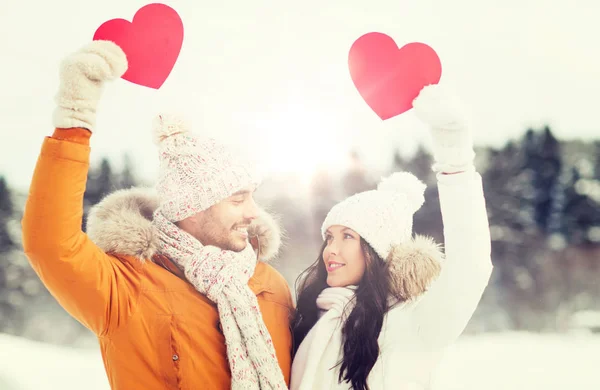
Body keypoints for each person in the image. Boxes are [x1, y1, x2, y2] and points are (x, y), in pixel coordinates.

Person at [21, 41, 293, 389]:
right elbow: (50, 244)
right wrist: (75, 119)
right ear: (190, 208)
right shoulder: (126, 288)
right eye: (237, 200)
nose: (255, 213)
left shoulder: (270, 284)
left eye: (252, 197)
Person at [289, 84, 493, 390]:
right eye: (329, 237)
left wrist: (455, 156)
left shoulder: (413, 322)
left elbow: (471, 267)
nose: (331, 249)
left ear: (377, 250)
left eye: (348, 236)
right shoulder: (312, 316)